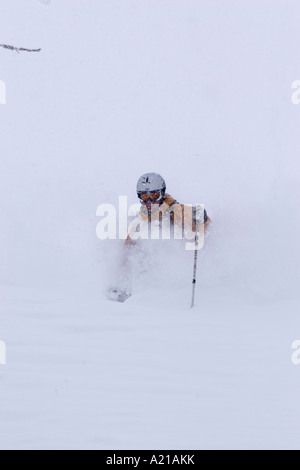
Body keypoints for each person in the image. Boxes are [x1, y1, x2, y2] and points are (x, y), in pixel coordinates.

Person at [125, 172, 211, 245]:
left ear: (162, 194)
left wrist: (199, 216)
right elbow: (128, 248)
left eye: (155, 196)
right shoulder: (142, 220)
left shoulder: (174, 211)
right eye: (144, 197)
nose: (149, 201)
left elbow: (196, 217)